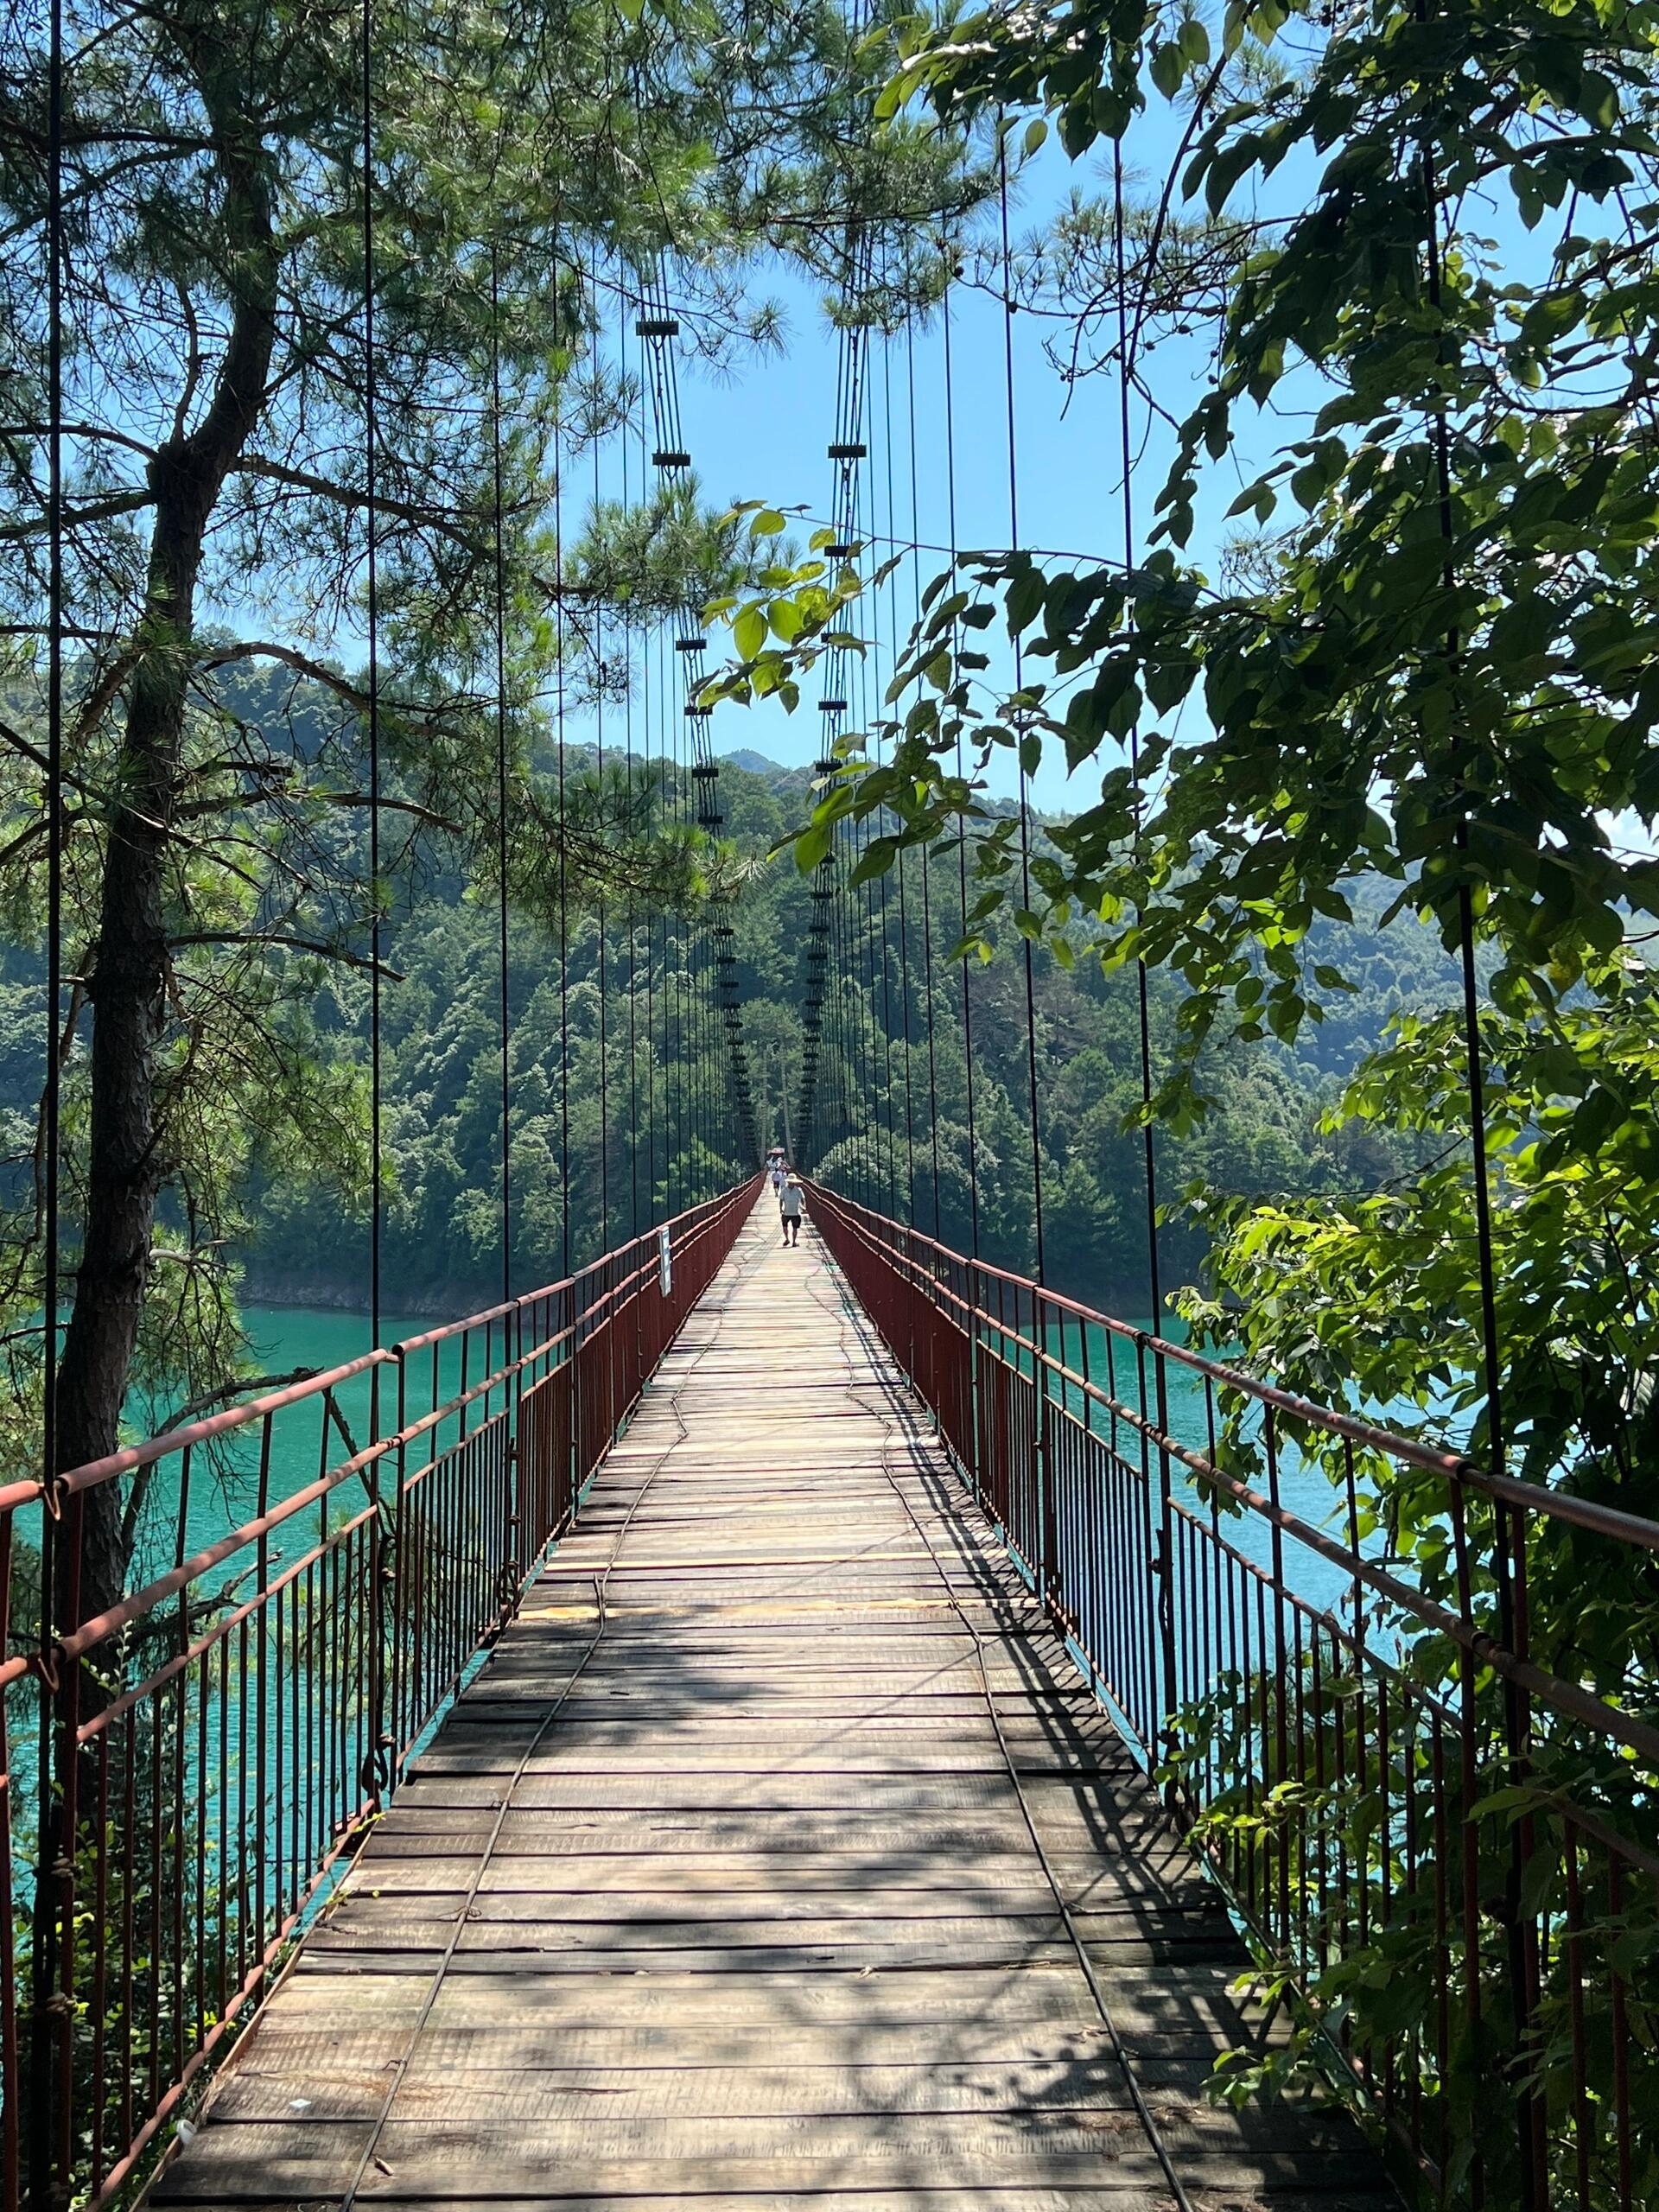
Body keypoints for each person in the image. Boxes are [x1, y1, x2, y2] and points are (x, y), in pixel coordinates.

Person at [779, 1173, 804, 1247]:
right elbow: (781, 1200)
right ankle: (787, 1239)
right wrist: (781, 1209)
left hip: (795, 1212)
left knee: (795, 1228)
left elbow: (802, 1199)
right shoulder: (784, 1190)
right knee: (785, 1226)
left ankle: (794, 1242)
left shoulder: (798, 1190)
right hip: (786, 1211)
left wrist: (804, 1207)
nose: (791, 1183)